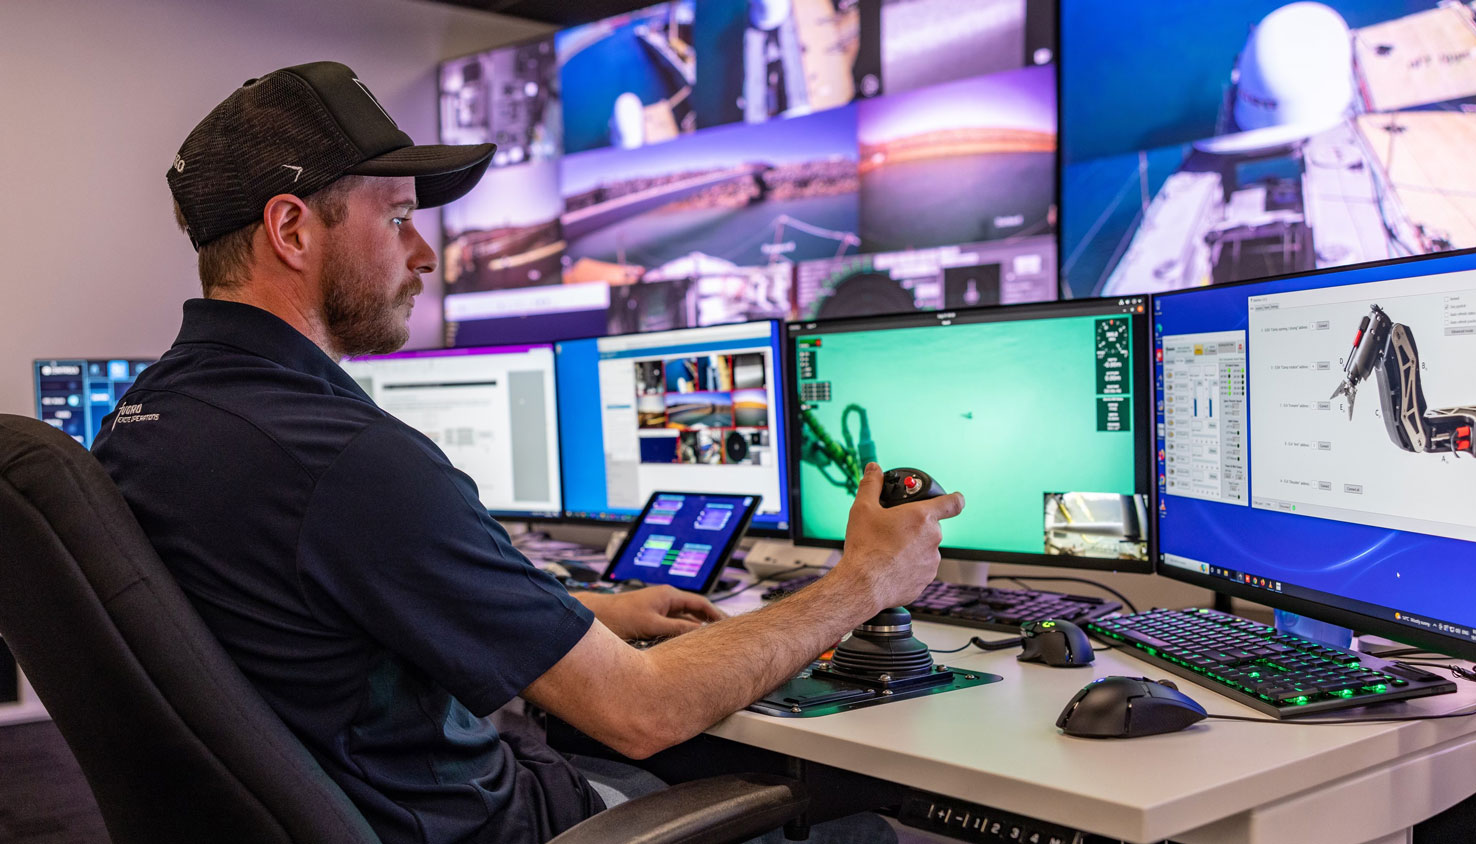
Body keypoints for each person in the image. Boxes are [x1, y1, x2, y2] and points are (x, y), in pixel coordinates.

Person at [93, 62, 965, 844]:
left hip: (351, 800)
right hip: (493, 824)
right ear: (291, 230)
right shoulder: (349, 458)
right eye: (397, 217)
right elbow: (641, 711)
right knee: (849, 822)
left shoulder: (153, 415)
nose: (424, 253)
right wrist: (865, 583)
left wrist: (574, 611)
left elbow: (311, 611)